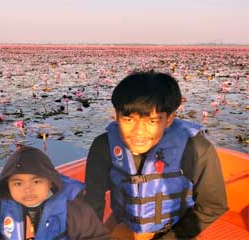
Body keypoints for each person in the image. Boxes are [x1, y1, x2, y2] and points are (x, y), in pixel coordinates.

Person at [84, 70, 228, 239]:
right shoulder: (104, 146)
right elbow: (94, 200)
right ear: (116, 117)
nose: (138, 132)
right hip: (124, 225)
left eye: (152, 121)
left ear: (169, 119)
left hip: (176, 230)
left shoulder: (195, 148)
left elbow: (213, 206)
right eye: (128, 120)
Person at [0, 146, 109, 240]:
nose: (28, 189)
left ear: (51, 181)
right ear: (8, 186)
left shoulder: (74, 209)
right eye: (18, 183)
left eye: (36, 181)